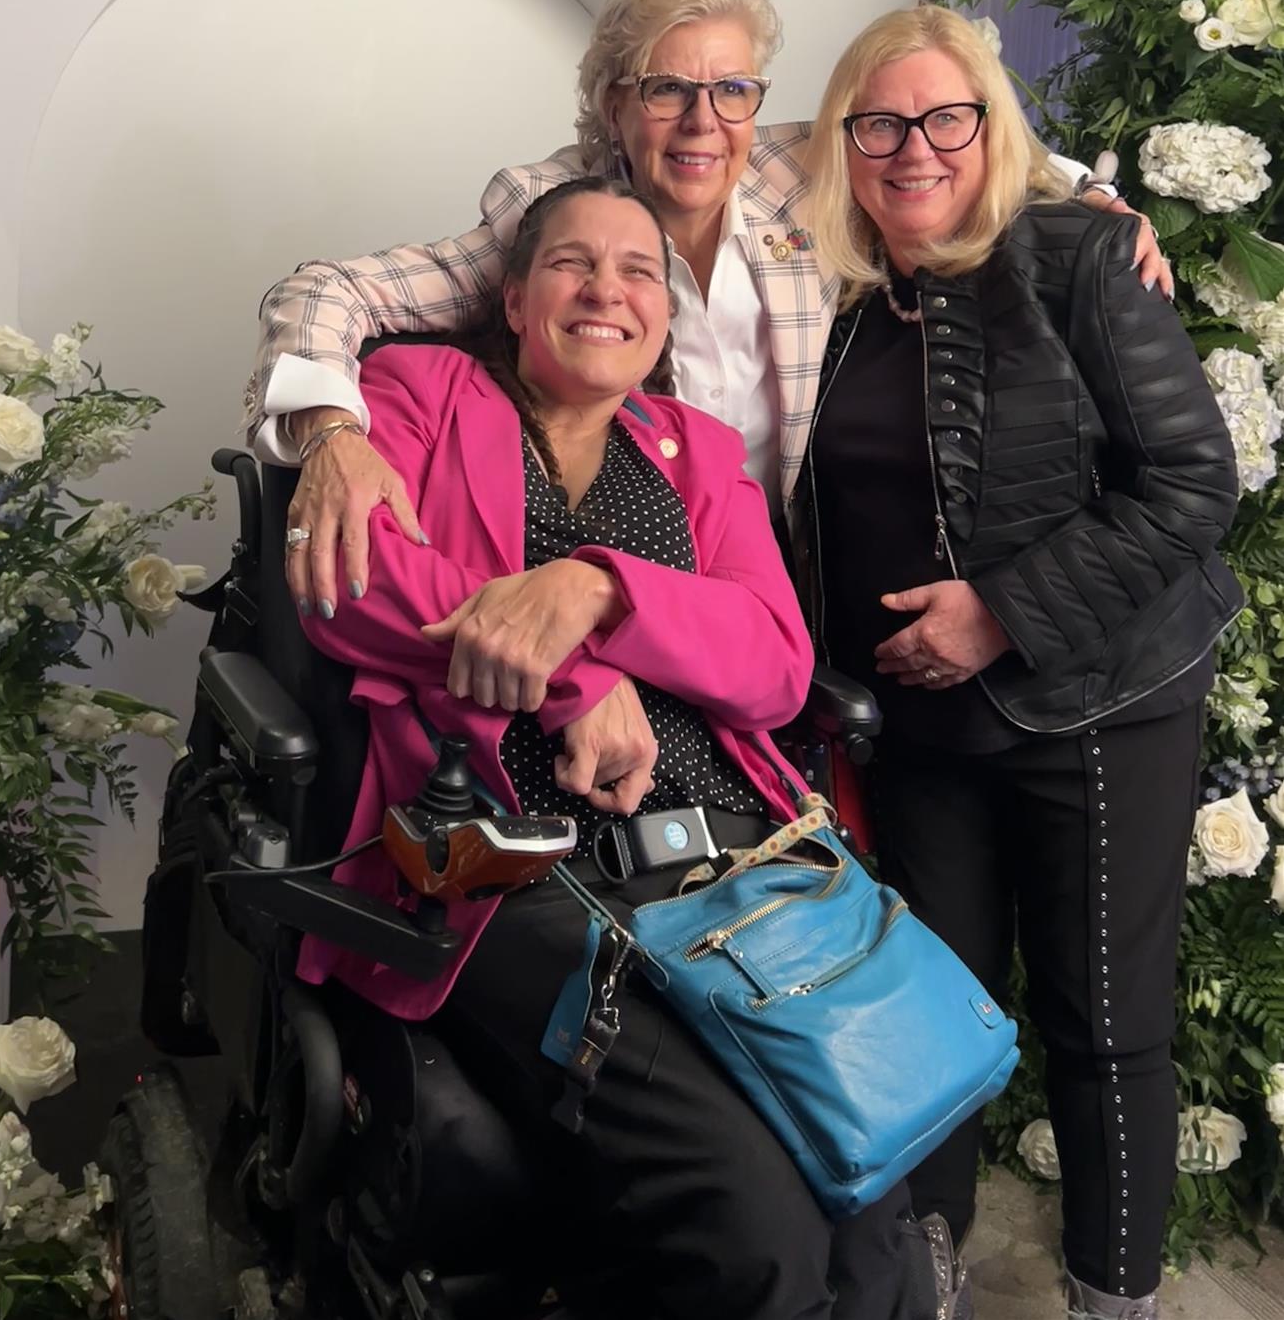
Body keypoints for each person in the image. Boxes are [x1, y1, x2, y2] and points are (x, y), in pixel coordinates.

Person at [300, 175, 952, 1320]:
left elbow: (775, 660)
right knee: (756, 1226)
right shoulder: (420, 393)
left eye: (638, 270)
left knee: (872, 1213)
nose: (607, 289)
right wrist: (574, 682)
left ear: (662, 315)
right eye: (572, 264)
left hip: (736, 861)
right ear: (513, 301)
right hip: (520, 868)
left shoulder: (696, 449)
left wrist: (598, 589)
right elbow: (355, 584)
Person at [244, 0, 1166, 617]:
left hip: (790, 583)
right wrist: (332, 435)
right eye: (665, 90)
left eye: (732, 90)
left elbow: (948, 144)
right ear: (614, 105)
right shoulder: (554, 215)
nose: (702, 122)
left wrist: (1092, 199)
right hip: (612, 572)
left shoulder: (795, 173)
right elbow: (322, 292)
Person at [799, 7, 1242, 1320]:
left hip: (1099, 705)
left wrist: (999, 614)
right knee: (929, 1031)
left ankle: (1115, 1302)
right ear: (843, 143)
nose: (914, 148)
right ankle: (920, 1291)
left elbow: (1191, 482)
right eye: (880, 123)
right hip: (921, 733)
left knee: (1104, 1027)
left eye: (949, 117)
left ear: (996, 130)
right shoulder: (839, 301)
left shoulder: (1081, 259)